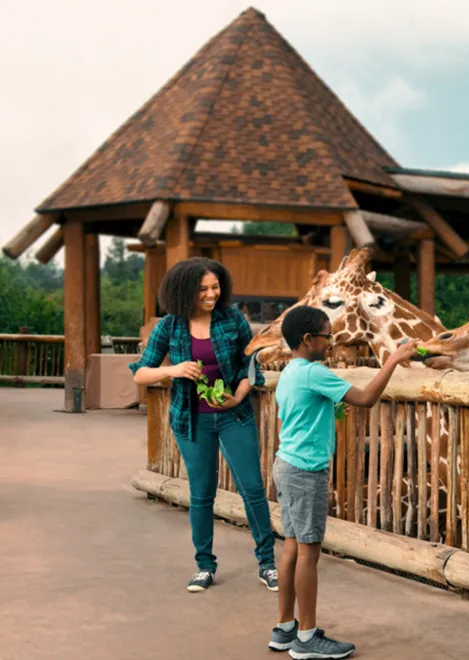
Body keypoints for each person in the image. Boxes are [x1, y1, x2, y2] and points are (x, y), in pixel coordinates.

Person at [266, 306, 419, 659]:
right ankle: (307, 639)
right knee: (309, 552)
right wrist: (393, 360)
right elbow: (366, 399)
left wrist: (330, 411)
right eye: (327, 336)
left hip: (286, 464)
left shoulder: (290, 372)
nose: (331, 343)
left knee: (292, 547)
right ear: (308, 339)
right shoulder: (314, 372)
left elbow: (295, 418)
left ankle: (285, 628)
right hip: (306, 472)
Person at [129, 257, 277, 593]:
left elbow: (250, 367)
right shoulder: (169, 326)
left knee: (252, 489)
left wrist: (237, 397)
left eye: (215, 287)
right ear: (184, 291)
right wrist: (174, 370)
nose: (211, 294)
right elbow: (141, 373)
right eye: (203, 289)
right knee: (201, 494)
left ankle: (267, 563)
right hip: (191, 420)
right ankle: (204, 566)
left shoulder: (233, 320)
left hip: (234, 416)